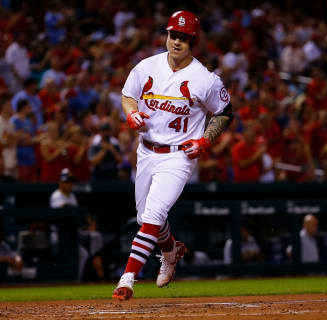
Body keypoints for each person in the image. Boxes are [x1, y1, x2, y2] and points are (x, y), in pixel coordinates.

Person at [112, 11, 233, 301]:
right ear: (167, 35)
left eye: (184, 37)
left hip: (179, 156)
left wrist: (205, 139)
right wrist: (130, 113)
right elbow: (128, 95)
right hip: (146, 151)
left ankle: (127, 278)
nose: (177, 41)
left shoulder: (205, 79)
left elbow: (225, 113)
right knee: (146, 217)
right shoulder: (146, 66)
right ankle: (171, 250)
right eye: (173, 35)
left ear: (193, 41)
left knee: (153, 215)